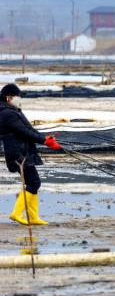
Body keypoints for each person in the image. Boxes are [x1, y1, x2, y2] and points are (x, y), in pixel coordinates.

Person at [0, 83, 61, 225]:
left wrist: (46, 139)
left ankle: (33, 217)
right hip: (18, 153)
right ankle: (16, 214)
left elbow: (30, 129)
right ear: (8, 97)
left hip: (23, 150)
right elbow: (24, 132)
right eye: (17, 96)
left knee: (32, 183)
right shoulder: (7, 113)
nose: (19, 99)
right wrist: (44, 141)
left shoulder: (14, 110)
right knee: (34, 182)